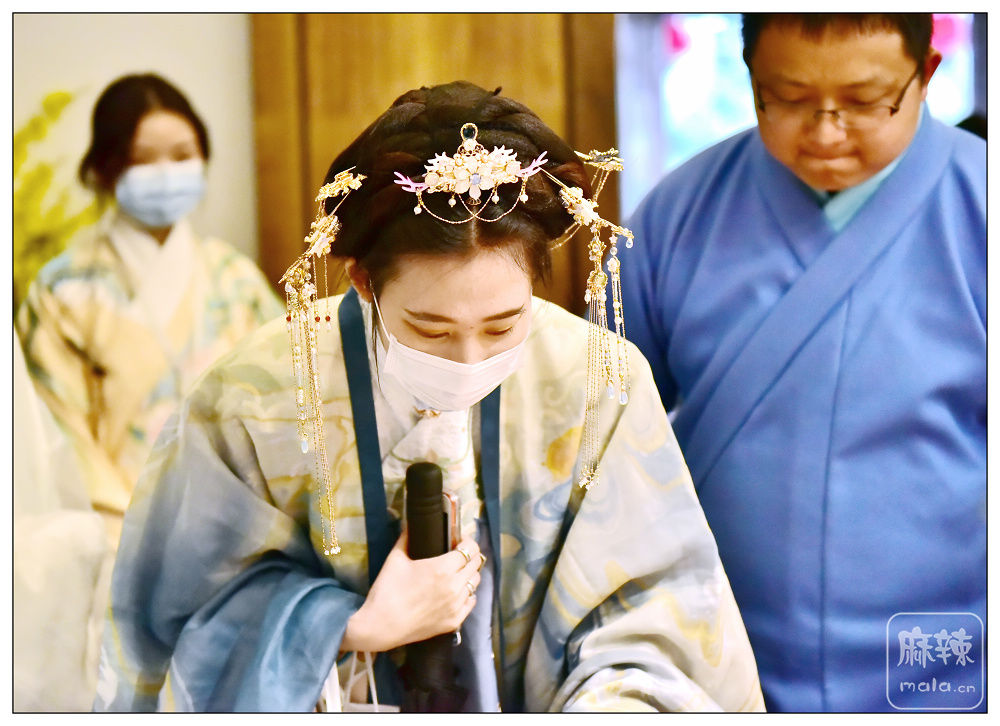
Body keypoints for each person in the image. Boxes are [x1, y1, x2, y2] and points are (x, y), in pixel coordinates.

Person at [93, 81, 764, 713]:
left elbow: (657, 619)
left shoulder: (596, 381)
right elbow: (171, 616)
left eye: (502, 326)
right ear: (363, 281)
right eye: (430, 329)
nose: (469, 360)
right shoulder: (253, 395)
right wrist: (344, 626)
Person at [621, 14, 985, 712]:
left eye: (863, 101)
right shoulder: (675, 215)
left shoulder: (981, 209)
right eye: (788, 99)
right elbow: (595, 437)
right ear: (751, 77)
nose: (825, 133)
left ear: (926, 74)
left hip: (950, 657)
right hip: (717, 655)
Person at [16, 73, 284, 550]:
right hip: (113, 540)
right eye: (143, 159)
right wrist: (127, 536)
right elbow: (60, 436)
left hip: (237, 534)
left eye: (182, 155)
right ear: (104, 169)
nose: (165, 173)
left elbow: (284, 403)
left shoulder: (234, 279)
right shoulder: (62, 293)